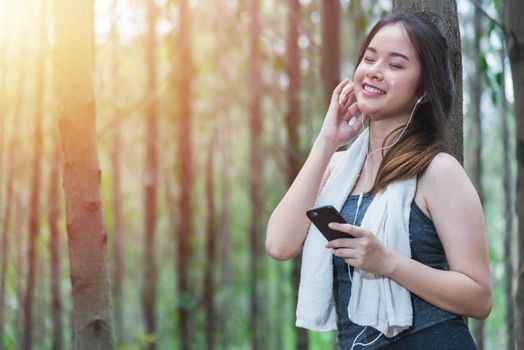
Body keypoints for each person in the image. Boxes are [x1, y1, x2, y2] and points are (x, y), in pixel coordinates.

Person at [265, 11, 492, 350]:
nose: (374, 71)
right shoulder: (336, 168)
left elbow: (479, 297)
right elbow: (279, 245)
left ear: (424, 91)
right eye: (369, 58)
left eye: (395, 65)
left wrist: (388, 263)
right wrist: (328, 139)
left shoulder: (437, 171)